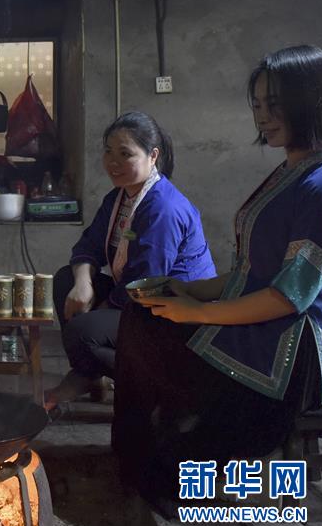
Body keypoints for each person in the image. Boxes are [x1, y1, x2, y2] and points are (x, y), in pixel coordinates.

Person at [117, 45, 322, 515]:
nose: (263, 116)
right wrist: (185, 290)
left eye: (274, 104)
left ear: (310, 100)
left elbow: (290, 295)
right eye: (257, 105)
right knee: (142, 317)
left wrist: (198, 312)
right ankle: (157, 441)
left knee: (167, 471)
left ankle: (192, 441)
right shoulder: (291, 172)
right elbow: (247, 274)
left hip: (290, 350)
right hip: (261, 325)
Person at [45, 112, 216, 411]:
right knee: (66, 280)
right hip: (138, 298)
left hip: (172, 312)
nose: (113, 162)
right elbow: (88, 245)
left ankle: (151, 383)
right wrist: (84, 285)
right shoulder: (119, 198)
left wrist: (98, 311)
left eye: (125, 154)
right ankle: (91, 375)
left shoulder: (163, 207)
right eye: (108, 152)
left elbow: (147, 282)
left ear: (153, 156)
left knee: (82, 332)